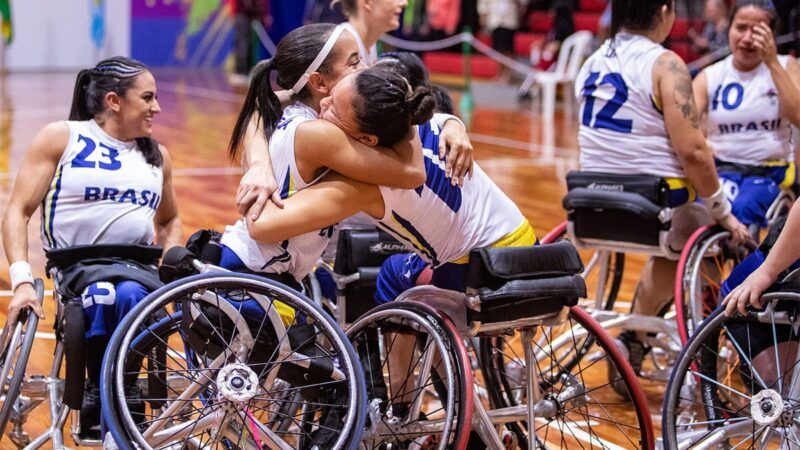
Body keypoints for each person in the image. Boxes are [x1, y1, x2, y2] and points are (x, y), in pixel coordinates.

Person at [1, 56, 182, 437]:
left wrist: (171, 263)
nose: (157, 107)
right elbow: (17, 211)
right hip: (77, 268)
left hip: (137, 267)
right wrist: (21, 280)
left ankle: (125, 389)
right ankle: (95, 392)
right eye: (147, 97)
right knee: (101, 295)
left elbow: (168, 219)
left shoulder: (156, 155)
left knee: (133, 294)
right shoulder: (62, 137)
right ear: (114, 100)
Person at [575, 0, 749, 392]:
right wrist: (723, 210)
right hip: (653, 207)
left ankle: (634, 337)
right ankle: (705, 357)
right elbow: (693, 151)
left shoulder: (590, 61)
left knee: (676, 242)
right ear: (666, 11)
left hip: (588, 201)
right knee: (717, 238)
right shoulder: (665, 63)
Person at [218, 23, 429, 289]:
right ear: (318, 82)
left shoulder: (289, 113)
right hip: (258, 269)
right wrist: (406, 110)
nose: (364, 69)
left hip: (260, 265)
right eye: (354, 63)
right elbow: (412, 173)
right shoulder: (320, 134)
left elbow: (261, 107)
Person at [237, 0, 473, 223]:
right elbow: (265, 103)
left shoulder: (361, 53)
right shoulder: (338, 46)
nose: (403, 3)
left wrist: (450, 122)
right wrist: (259, 165)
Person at [693, 0, 800, 230]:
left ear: (772, 34)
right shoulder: (709, 76)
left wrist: (771, 61)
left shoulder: (786, 65)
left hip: (771, 172)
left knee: (743, 209)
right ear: (728, 28)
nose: (748, 38)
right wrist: (701, 141)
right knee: (698, 214)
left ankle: (750, 267)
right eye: (741, 28)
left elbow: (798, 116)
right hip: (723, 170)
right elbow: (684, 126)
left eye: (759, 31)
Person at [478, 0, 529, 82]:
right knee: (498, 49)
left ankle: (507, 74)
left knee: (508, 49)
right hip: (495, 20)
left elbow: (523, 4)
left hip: (510, 21)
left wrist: (519, 15)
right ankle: (499, 73)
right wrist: (483, 20)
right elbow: (483, 5)